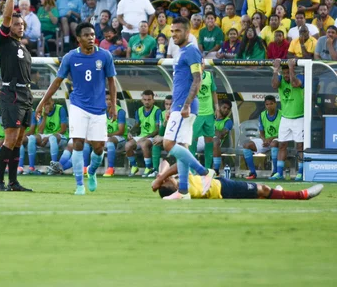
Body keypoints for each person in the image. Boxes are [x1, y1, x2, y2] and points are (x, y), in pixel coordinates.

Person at [36, 22, 117, 195]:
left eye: (93, 35)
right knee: (77, 143)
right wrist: (42, 102)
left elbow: (111, 81)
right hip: (78, 106)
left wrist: (114, 106)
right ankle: (79, 184)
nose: (91, 38)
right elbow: (57, 81)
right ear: (78, 39)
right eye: (87, 35)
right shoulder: (70, 57)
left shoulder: (105, 56)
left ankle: (92, 171)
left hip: (99, 108)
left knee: (99, 148)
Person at [161, 17, 215, 200]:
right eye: (172, 31)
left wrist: (185, 105)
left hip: (185, 105)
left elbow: (197, 79)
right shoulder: (182, 52)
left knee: (168, 144)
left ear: (187, 32)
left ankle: (203, 172)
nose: (174, 34)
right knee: (182, 146)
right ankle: (183, 191)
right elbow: (181, 81)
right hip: (179, 104)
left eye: (177, 31)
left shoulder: (191, 50)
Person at [0, 0, 32, 192]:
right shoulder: (5, 41)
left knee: (18, 142)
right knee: (9, 139)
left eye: (22, 24)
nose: (20, 26)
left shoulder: (22, 47)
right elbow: (7, 16)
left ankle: (14, 182)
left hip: (26, 96)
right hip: (12, 94)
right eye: (17, 24)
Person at [152, 159, 324, 200]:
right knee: (262, 189)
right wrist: (160, 179)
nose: (170, 177)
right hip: (225, 190)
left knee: (261, 193)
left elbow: (164, 162)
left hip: (221, 182)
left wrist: (161, 177)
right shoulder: (184, 191)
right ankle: (301, 195)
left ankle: (277, 193)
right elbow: (179, 161)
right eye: (168, 180)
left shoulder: (179, 182)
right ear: (170, 185)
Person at [270, 58, 304, 181]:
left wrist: (291, 69)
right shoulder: (280, 79)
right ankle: (279, 172)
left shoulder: (300, 77)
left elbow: (295, 84)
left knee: (300, 146)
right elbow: (274, 85)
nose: (286, 76)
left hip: (299, 117)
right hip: (285, 118)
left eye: (286, 73)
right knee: (282, 145)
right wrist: (276, 70)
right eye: (284, 73)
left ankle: (301, 172)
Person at [241, 95, 281, 180]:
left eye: (271, 104)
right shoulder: (262, 115)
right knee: (246, 146)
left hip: (278, 139)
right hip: (266, 140)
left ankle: (275, 172)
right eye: (267, 104)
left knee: (274, 143)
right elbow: (261, 131)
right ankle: (252, 172)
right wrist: (264, 140)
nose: (269, 106)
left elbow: (284, 132)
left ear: (275, 104)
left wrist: (270, 139)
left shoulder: (281, 115)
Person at [124, 90, 162, 177]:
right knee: (127, 145)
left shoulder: (157, 111)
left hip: (153, 137)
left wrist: (145, 137)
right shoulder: (139, 111)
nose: (147, 102)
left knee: (144, 144)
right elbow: (137, 124)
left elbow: (157, 130)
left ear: (153, 100)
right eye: (145, 99)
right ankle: (134, 166)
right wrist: (130, 132)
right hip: (142, 136)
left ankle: (148, 167)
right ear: (142, 100)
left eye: (149, 99)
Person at [32, 97, 68, 172]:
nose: (47, 106)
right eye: (45, 104)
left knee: (52, 138)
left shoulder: (60, 109)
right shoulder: (41, 111)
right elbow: (40, 131)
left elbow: (63, 129)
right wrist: (45, 116)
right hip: (47, 136)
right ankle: (31, 167)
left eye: (48, 103)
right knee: (32, 138)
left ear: (53, 102)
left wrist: (48, 137)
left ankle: (54, 165)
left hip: (61, 136)